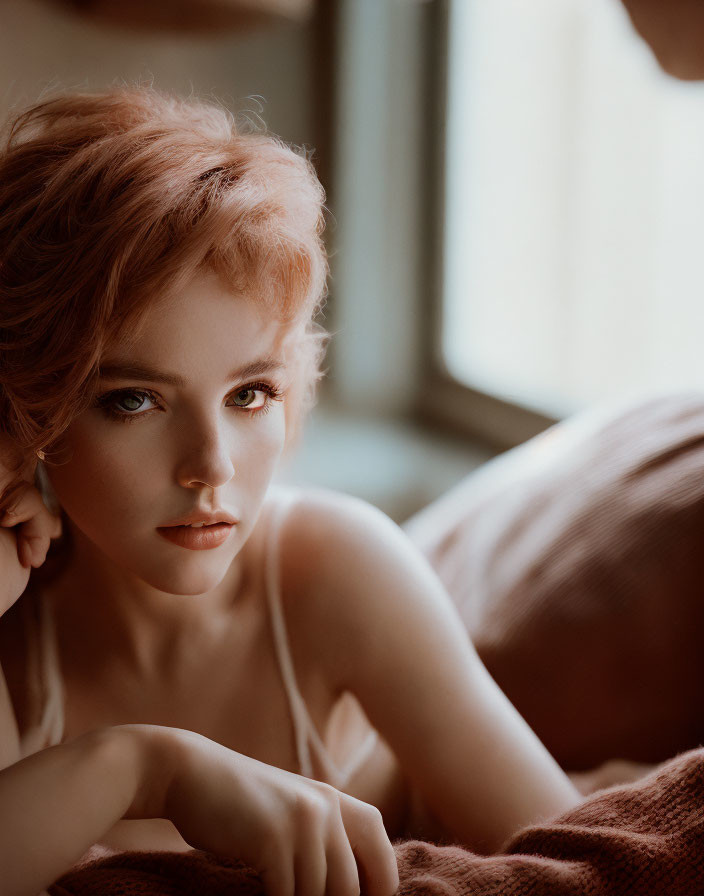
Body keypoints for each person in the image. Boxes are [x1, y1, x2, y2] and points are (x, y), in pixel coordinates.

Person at [0, 85, 581, 896]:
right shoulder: (13, 622)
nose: (212, 466)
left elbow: (584, 869)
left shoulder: (335, 570)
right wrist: (139, 766)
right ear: (32, 411)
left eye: (250, 395)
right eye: (134, 400)